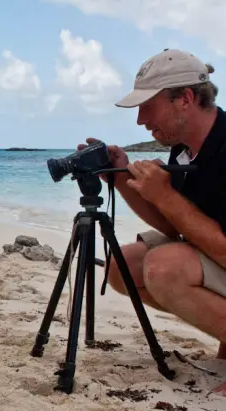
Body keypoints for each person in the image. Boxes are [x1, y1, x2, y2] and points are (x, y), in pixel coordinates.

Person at [78, 48, 226, 367]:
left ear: (185, 98)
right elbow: (176, 227)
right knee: (122, 267)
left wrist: (165, 196)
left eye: (148, 106)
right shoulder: (185, 150)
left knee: (164, 268)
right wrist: (121, 179)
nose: (141, 120)